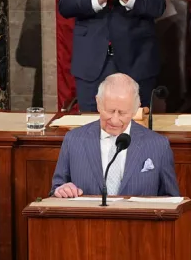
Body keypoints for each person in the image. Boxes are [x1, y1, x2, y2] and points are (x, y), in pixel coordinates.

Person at [50, 73, 179, 198]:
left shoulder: (158, 145)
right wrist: (61, 190)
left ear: (135, 109)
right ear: (98, 103)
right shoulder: (73, 140)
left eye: (122, 113)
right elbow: (56, 191)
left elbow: (171, 200)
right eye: (110, 111)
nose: (115, 120)